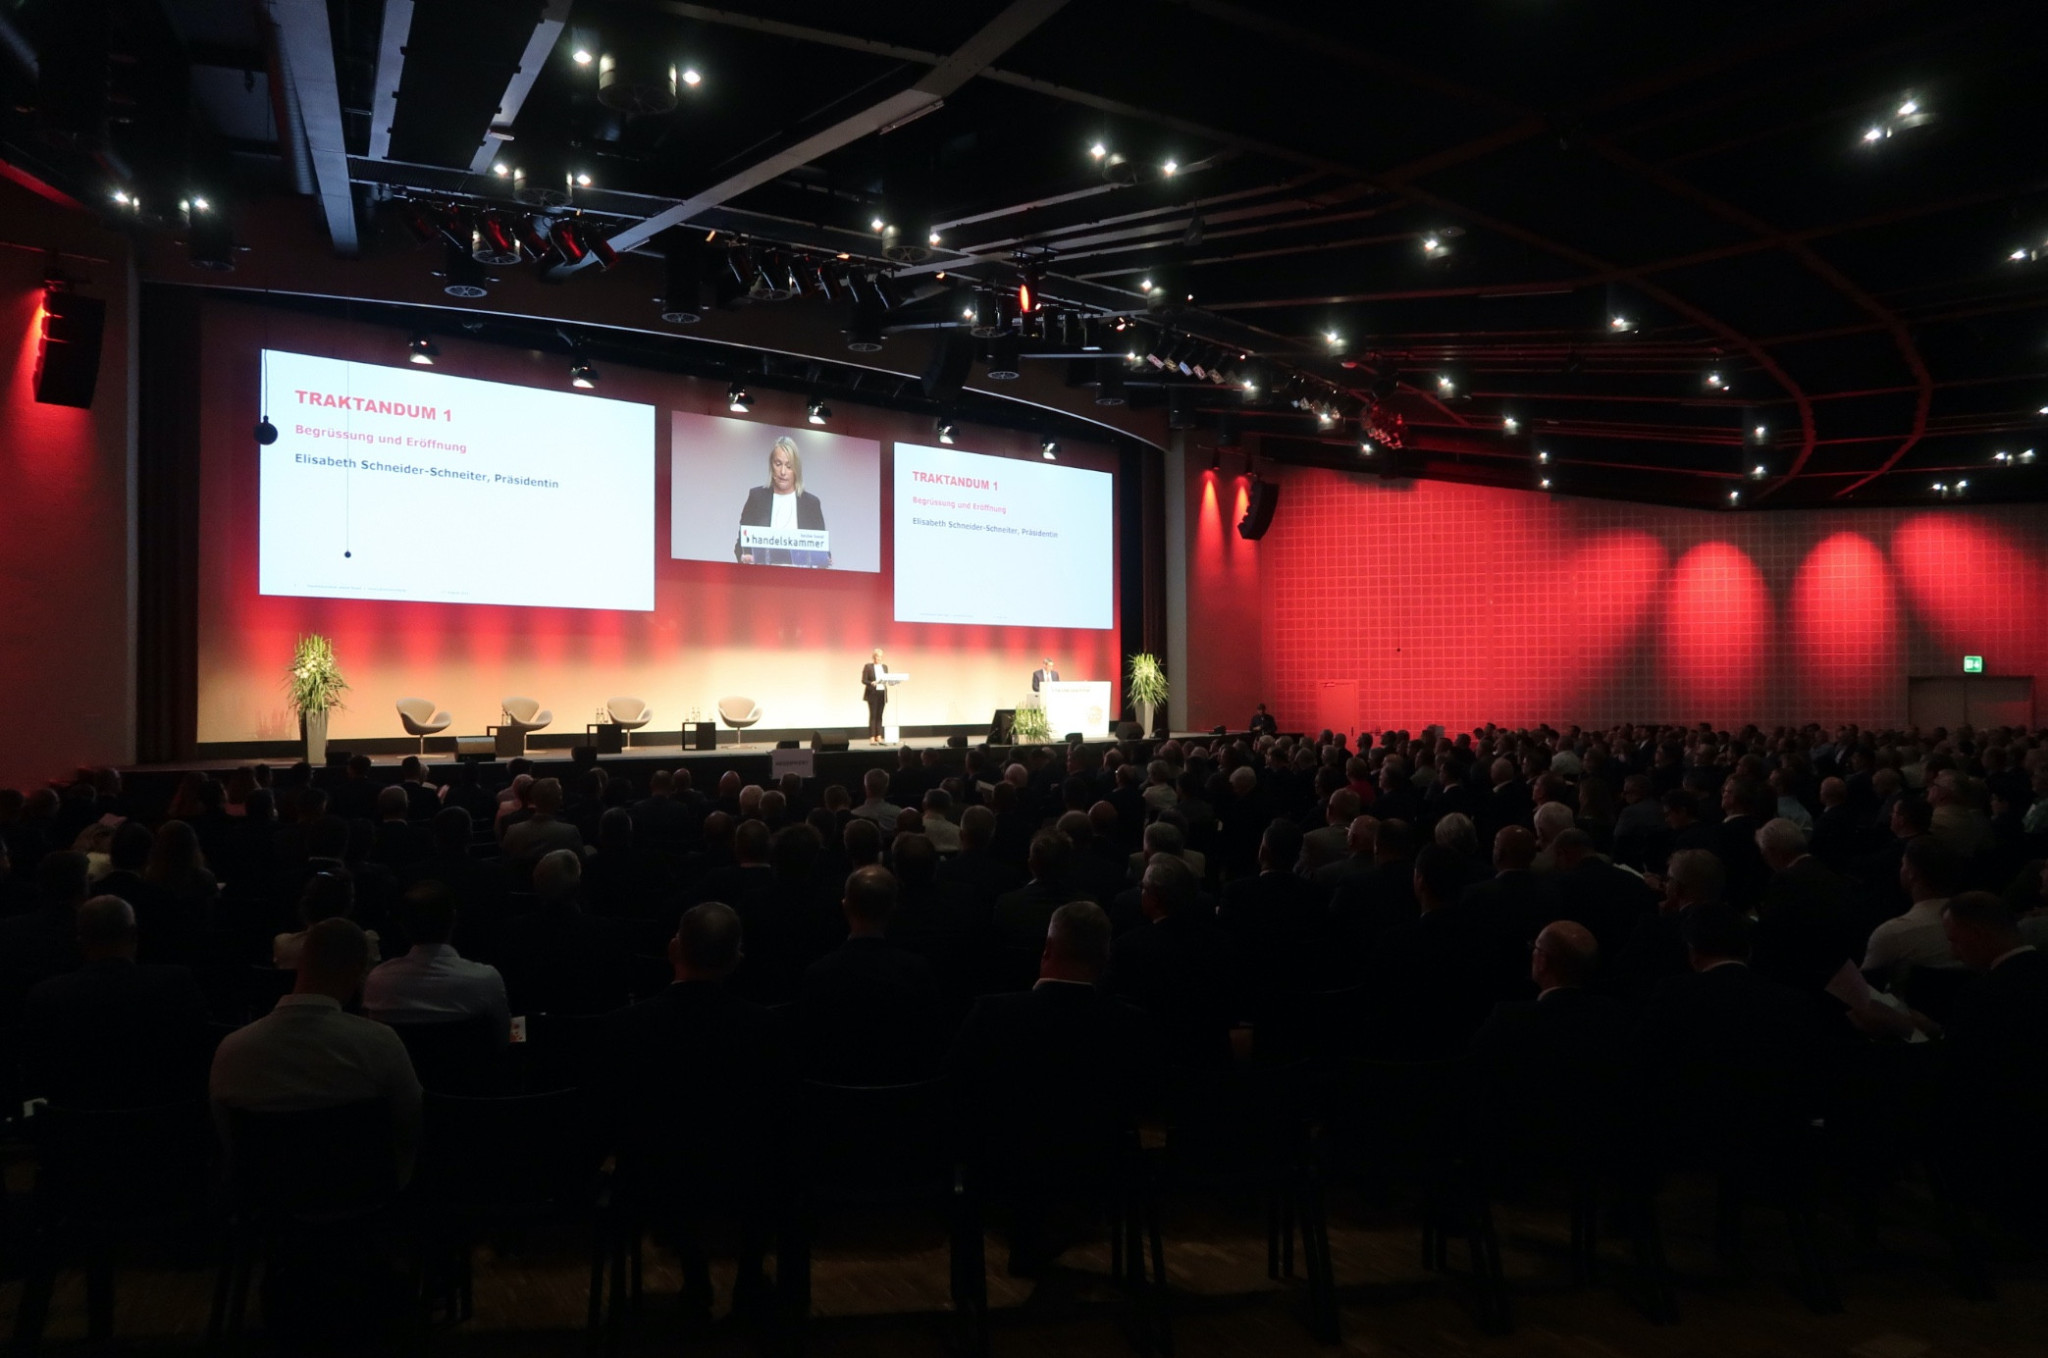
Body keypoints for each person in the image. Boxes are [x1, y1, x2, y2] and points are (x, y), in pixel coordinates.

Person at [210, 917, 423, 1179]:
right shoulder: (381, 1044)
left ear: (301, 963)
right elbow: (410, 1125)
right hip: (361, 1194)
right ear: (358, 972)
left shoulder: (231, 1051)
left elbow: (229, 1145)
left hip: (265, 1199)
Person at [22, 894, 210, 1107]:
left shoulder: (47, 996)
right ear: (134, 935)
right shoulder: (176, 983)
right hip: (164, 1117)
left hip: (76, 1119)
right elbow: (198, 1052)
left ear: (81, 940)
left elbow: (36, 1070)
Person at [796, 865, 941, 1083]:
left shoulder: (818, 975)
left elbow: (808, 1046)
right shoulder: (916, 971)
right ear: (893, 909)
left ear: (845, 906)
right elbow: (932, 1040)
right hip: (904, 1088)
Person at [362, 882, 511, 1035]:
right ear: (453, 919)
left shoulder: (377, 981)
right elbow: (503, 1036)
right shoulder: (485, 979)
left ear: (403, 925)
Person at [734, 435, 830, 566]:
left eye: (789, 466)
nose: (783, 472)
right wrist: (744, 558)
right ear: (771, 465)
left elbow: (823, 551)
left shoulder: (811, 504)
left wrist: (825, 560)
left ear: (796, 470)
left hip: (800, 578)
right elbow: (740, 546)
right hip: (762, 576)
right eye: (778, 464)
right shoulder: (756, 498)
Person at [861, 647, 891, 744]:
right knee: (873, 715)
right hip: (872, 693)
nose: (879, 658)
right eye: (877, 656)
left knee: (880, 716)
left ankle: (879, 736)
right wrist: (871, 683)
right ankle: (872, 737)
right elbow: (864, 680)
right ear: (874, 657)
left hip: (882, 693)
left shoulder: (885, 667)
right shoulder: (868, 667)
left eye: (880, 657)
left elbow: (886, 678)